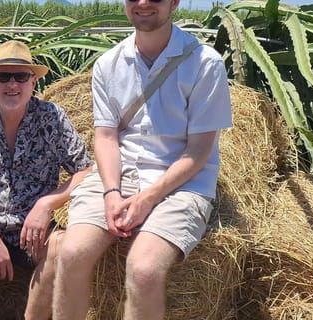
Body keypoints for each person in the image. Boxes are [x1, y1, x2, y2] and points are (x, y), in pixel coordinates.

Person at [52, 0, 233, 319]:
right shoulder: (108, 64)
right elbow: (106, 138)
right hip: (119, 174)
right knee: (71, 253)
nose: (144, 3)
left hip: (182, 182)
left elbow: (199, 151)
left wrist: (148, 198)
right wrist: (111, 193)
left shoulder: (205, 63)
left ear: (175, 2)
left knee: (144, 269)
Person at [0, 40, 94, 320]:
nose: (12, 84)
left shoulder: (51, 117)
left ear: (34, 81)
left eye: (21, 76)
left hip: (33, 233)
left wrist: (47, 205)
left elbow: (85, 170)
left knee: (65, 247)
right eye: (3, 76)